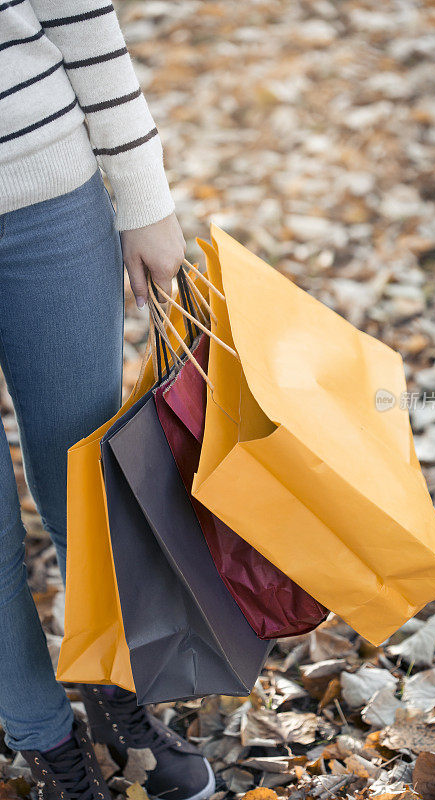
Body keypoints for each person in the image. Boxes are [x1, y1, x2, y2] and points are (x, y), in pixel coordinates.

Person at [0, 1, 215, 798]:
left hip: (48, 200)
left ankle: (115, 693)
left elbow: (79, 16)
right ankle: (44, 740)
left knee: (88, 489)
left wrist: (144, 197)